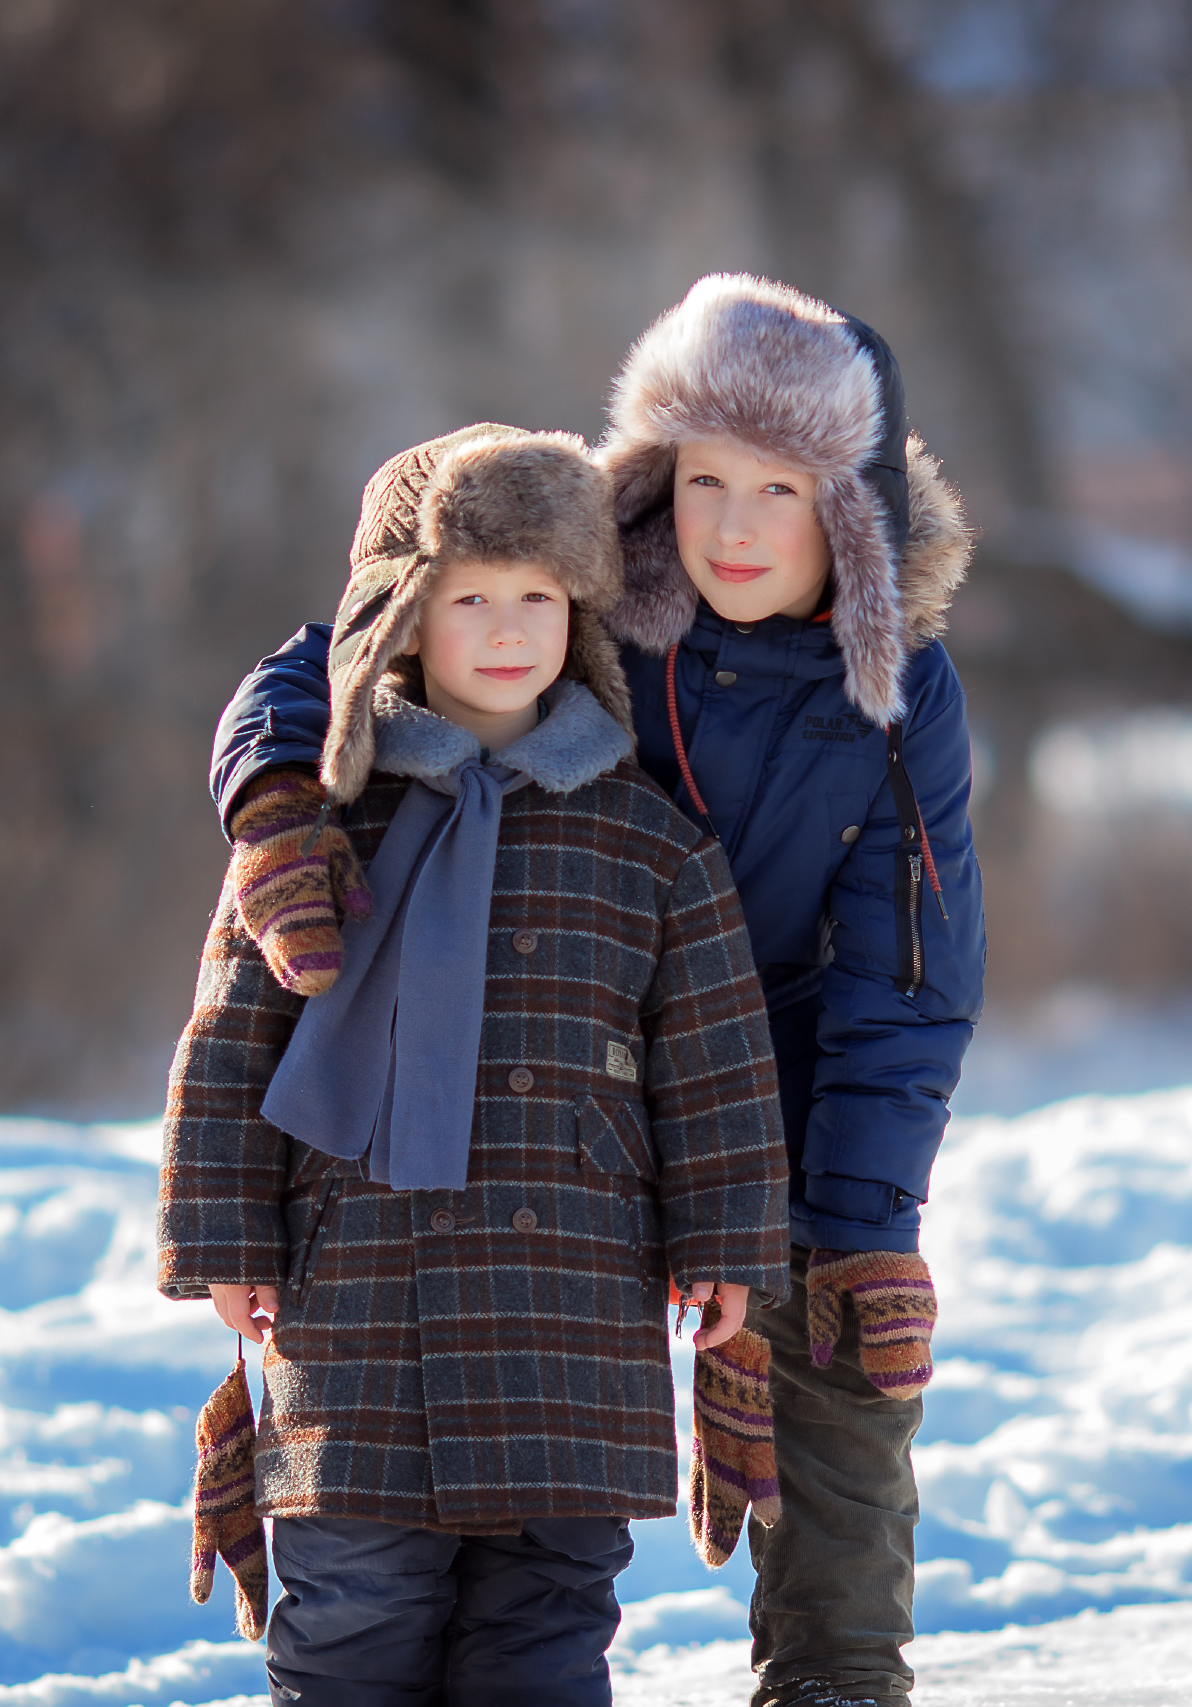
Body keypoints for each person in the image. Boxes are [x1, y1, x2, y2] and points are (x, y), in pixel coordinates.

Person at [205, 276, 985, 1707]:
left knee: (844, 1363)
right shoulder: (587, 592)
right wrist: (271, 800)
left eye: (778, 489)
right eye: (703, 481)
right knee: (507, 1449)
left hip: (786, 1068)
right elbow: (343, 645)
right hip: (579, 1064)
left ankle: (834, 1677)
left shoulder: (897, 692)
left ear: (849, 510)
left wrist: (866, 1221)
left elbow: (910, 966)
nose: (732, 526)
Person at [159, 421, 790, 1707]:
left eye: (539, 599)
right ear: (400, 618)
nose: (509, 630)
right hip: (356, 1289)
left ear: (582, 614)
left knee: (546, 1623)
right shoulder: (320, 828)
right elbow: (230, 1037)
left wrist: (726, 1244)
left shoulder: (647, 840)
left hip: (573, 1294)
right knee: (350, 1613)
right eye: (469, 600)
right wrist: (226, 1238)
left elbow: (713, 1059)